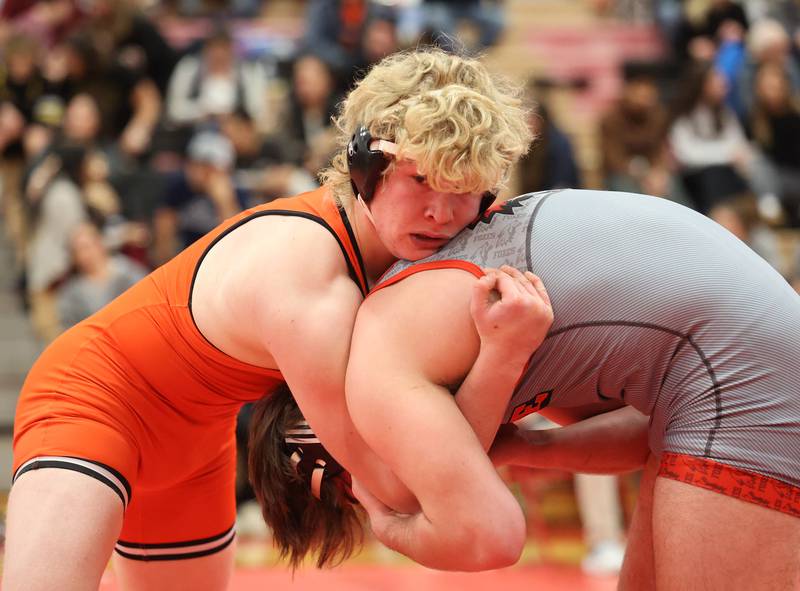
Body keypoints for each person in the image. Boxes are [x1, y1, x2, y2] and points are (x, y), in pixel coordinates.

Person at [4, 48, 535, 591]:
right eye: (421, 180)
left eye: (463, 189)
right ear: (364, 167)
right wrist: (504, 354)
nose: (442, 214)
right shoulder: (306, 276)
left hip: (199, 447)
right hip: (92, 403)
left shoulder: (422, 255)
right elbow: (404, 486)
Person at [274, 187, 798, 586]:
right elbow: (644, 434)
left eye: (354, 495)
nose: (370, 498)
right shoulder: (420, 341)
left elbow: (483, 536)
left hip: (744, 369)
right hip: (720, 361)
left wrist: (393, 525)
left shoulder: (388, 354)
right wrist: (534, 446)